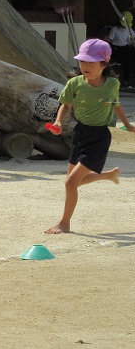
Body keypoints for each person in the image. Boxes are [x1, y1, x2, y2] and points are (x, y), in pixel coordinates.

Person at [45, 38, 135, 235]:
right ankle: (108, 175)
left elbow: (116, 104)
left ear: (105, 62)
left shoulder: (112, 84)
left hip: (99, 137)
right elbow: (66, 104)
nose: (85, 66)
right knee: (72, 180)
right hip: (80, 133)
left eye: (91, 62)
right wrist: (59, 122)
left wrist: (127, 125)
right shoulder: (75, 83)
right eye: (82, 61)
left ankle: (65, 223)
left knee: (70, 183)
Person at [107, 10, 134, 87]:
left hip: (125, 48)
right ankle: (117, 81)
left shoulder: (129, 29)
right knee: (117, 65)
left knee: (127, 64)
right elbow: (110, 39)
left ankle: (126, 82)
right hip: (116, 49)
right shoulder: (115, 29)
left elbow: (132, 38)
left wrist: (131, 42)